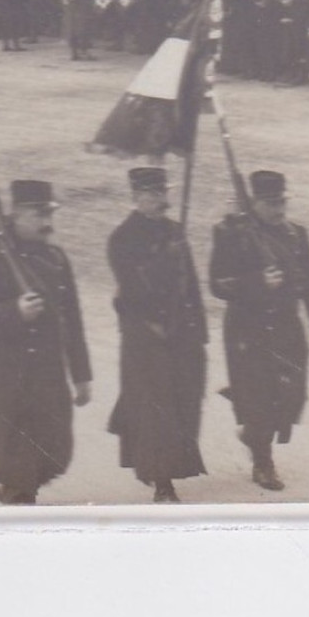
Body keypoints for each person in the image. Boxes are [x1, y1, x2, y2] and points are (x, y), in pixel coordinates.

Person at [0, 180, 93, 505]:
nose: (47, 223)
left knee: (54, 450)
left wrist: (81, 374)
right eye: (38, 215)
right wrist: (13, 312)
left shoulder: (57, 259)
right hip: (9, 373)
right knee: (20, 458)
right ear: (17, 215)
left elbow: (72, 320)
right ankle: (20, 501)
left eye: (49, 214)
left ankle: (16, 490)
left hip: (48, 372)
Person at [208, 170, 309, 491]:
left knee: (292, 396)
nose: (279, 210)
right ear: (255, 203)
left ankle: (251, 429)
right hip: (249, 329)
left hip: (287, 327)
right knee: (261, 398)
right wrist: (256, 282)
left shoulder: (295, 235)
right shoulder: (231, 234)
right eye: (271, 204)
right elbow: (217, 285)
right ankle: (263, 462)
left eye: (282, 202)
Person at [105, 167, 207, 503]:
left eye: (162, 192)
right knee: (155, 409)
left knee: (182, 404)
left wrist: (200, 336)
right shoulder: (121, 239)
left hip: (181, 333)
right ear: (136, 198)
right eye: (151, 194)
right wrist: (165, 260)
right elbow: (133, 290)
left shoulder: (176, 231)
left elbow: (190, 286)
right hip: (145, 335)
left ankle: (169, 471)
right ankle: (162, 482)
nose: (160, 200)